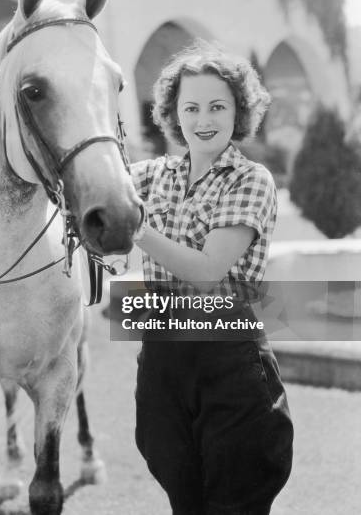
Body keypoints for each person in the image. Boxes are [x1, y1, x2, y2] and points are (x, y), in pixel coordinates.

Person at [130, 41, 293, 515]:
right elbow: (85, 188)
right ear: (172, 113)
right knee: (184, 497)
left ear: (239, 111)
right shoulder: (149, 175)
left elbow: (207, 272)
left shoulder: (251, 179)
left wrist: (135, 228)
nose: (204, 119)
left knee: (235, 499)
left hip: (230, 360)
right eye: (192, 107)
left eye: (217, 106)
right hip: (161, 356)